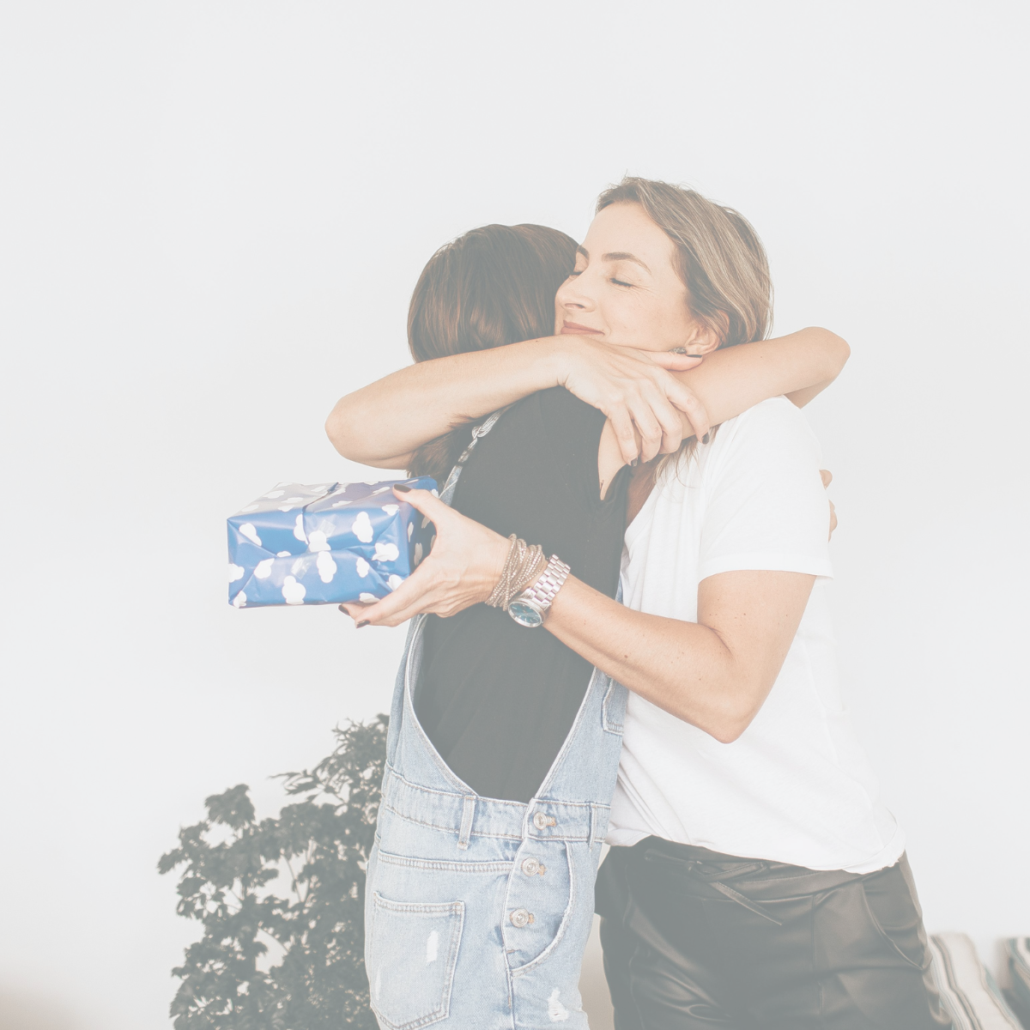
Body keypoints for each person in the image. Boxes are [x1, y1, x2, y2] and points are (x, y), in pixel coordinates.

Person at [334, 178, 950, 1029]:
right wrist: (563, 360)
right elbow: (356, 425)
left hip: (804, 898)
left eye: (620, 277)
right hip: (644, 897)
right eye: (578, 268)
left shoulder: (748, 436)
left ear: (702, 331)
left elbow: (725, 694)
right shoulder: (594, 442)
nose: (577, 292)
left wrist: (519, 574)